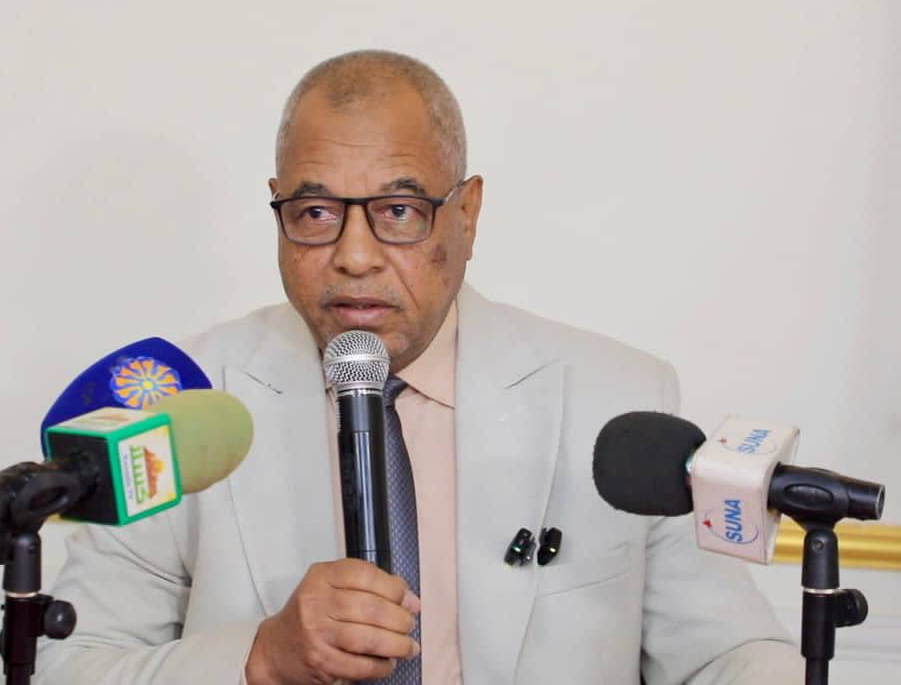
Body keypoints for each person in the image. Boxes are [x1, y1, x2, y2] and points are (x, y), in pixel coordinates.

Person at [36, 50, 802, 684]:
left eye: (398, 212)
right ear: (277, 208)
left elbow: (727, 654)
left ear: (465, 214)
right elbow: (70, 667)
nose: (354, 256)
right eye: (314, 213)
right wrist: (258, 660)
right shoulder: (183, 406)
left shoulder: (616, 399)